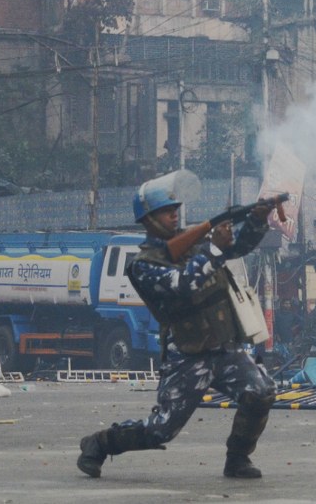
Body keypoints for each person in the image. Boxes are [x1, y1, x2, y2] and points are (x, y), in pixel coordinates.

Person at [77, 172, 277, 480]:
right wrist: (213, 249)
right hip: (188, 352)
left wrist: (256, 221)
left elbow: (238, 249)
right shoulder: (145, 263)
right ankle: (101, 443)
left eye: (175, 209)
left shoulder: (194, 245)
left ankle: (237, 459)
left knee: (260, 391)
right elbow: (182, 286)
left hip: (224, 346)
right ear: (148, 220)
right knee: (161, 430)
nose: (174, 214)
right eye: (165, 211)